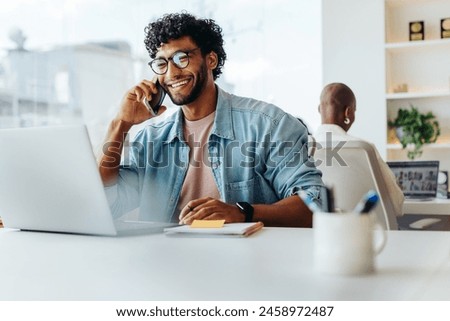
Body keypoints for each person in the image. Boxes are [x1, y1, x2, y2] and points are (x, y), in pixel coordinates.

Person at [97, 12, 324, 227]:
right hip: (164, 262)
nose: (171, 73)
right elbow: (107, 205)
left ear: (211, 60)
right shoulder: (151, 140)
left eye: (181, 58)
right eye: (162, 63)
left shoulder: (267, 125)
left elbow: (315, 204)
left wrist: (242, 212)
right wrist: (121, 124)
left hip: (243, 262)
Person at [314, 82, 404, 216]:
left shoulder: (303, 148)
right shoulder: (363, 149)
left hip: (323, 233)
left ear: (319, 109)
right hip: (367, 234)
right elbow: (396, 205)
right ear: (348, 112)